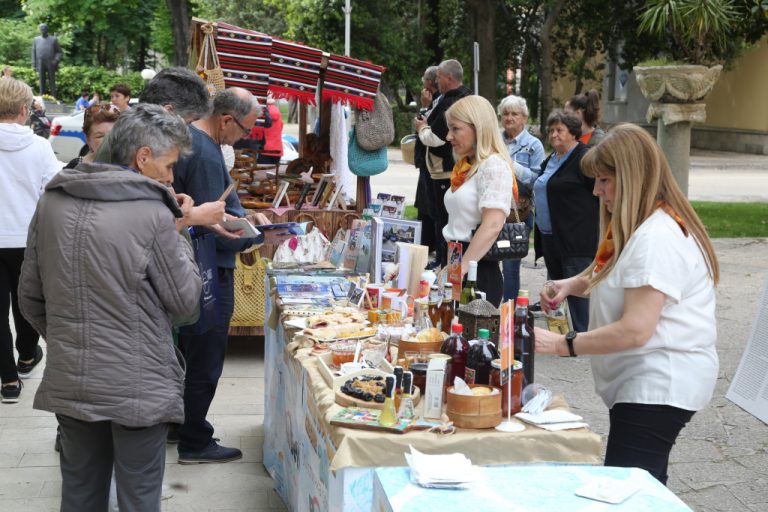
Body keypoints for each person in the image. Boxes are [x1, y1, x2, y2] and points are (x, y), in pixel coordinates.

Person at [18, 104, 200, 511]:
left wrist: (71, 337)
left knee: (80, 492)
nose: (171, 177)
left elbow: (29, 296)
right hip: (138, 383)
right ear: (142, 157)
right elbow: (186, 304)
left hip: (73, 376)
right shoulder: (154, 213)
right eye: (169, 166)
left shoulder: (52, 201)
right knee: (138, 496)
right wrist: (180, 229)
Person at [534, 123, 720, 485]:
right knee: (646, 490)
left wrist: (561, 344)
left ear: (632, 177)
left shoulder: (656, 237)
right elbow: (617, 275)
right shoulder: (643, 224)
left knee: (625, 492)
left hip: (658, 384)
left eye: (604, 180)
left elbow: (636, 329)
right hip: (648, 383)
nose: (595, 190)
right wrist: (573, 284)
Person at [172, 87, 262, 464]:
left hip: (190, 265)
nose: (244, 138)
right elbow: (216, 227)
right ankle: (194, 440)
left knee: (189, 353)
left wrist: (244, 218)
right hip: (208, 270)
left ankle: (180, 425)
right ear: (226, 119)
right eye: (245, 129)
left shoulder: (191, 139)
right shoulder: (207, 153)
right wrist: (254, 236)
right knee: (205, 358)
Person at [0, 77, 59, 404]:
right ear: (25, 111)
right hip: (27, 238)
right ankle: (26, 355)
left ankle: (8, 381)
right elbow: (50, 193)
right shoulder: (39, 147)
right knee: (28, 302)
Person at [442, 95, 518, 306]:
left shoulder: (493, 165)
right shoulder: (469, 166)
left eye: (455, 129)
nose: (449, 136)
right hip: (458, 261)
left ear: (478, 128)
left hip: (475, 270)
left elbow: (493, 225)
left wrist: (461, 269)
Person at [533, 110, 598, 331]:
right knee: (555, 285)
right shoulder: (551, 159)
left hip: (575, 237)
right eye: (551, 130)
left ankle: (582, 335)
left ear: (573, 133)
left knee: (577, 289)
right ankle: (559, 332)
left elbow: (599, 192)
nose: (553, 135)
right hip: (550, 236)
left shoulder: (584, 157)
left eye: (559, 130)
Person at [414, 59, 472, 267]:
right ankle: (446, 264)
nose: (436, 81)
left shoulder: (452, 102)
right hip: (451, 167)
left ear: (449, 77)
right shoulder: (461, 97)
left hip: (444, 169)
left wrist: (421, 128)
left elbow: (436, 138)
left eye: (438, 77)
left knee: (444, 220)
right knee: (445, 220)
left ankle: (445, 265)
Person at [497, 94, 545, 302]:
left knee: (510, 267)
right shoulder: (495, 139)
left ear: (524, 117)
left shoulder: (534, 146)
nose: (509, 118)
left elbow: (536, 181)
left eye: (514, 114)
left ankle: (510, 312)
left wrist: (511, 165)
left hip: (517, 215)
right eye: (505, 114)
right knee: (487, 262)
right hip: (492, 209)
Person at [413, 65, 440, 263]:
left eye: (424, 79)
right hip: (427, 164)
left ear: (429, 82)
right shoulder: (436, 99)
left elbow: (423, 127)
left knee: (429, 207)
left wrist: (423, 106)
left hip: (432, 165)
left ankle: (430, 247)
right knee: (425, 205)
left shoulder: (436, 102)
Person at [65, 104, 120, 169]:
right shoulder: (75, 167)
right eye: (100, 136)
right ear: (88, 140)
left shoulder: (130, 165)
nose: (108, 140)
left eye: (113, 134)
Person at [251, 94, 283, 165]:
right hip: (277, 149)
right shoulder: (278, 112)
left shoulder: (262, 112)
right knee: (274, 173)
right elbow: (281, 128)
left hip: (264, 149)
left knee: (262, 173)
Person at [31, 23, 62, 97]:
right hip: (40, 62)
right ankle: (42, 97)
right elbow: (34, 52)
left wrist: (55, 61)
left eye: (44, 29)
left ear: (47, 29)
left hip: (50, 62)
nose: (42, 30)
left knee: (52, 80)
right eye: (41, 29)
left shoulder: (53, 39)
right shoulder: (36, 39)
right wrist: (34, 64)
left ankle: (54, 97)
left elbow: (59, 52)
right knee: (41, 81)